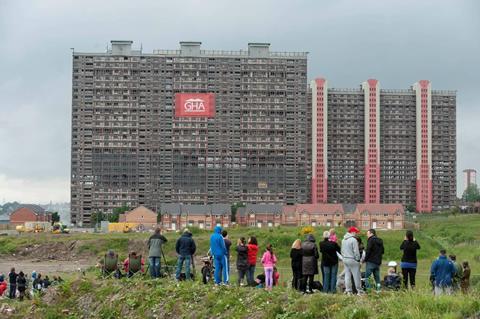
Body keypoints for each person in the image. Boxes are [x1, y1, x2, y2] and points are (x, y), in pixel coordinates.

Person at [341, 227, 363, 295]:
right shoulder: (353, 240)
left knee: (347, 275)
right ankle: (359, 291)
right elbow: (356, 251)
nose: (356, 234)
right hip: (352, 259)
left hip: (345, 259)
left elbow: (342, 250)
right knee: (357, 276)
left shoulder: (343, 239)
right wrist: (358, 259)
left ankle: (348, 291)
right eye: (356, 232)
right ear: (352, 232)